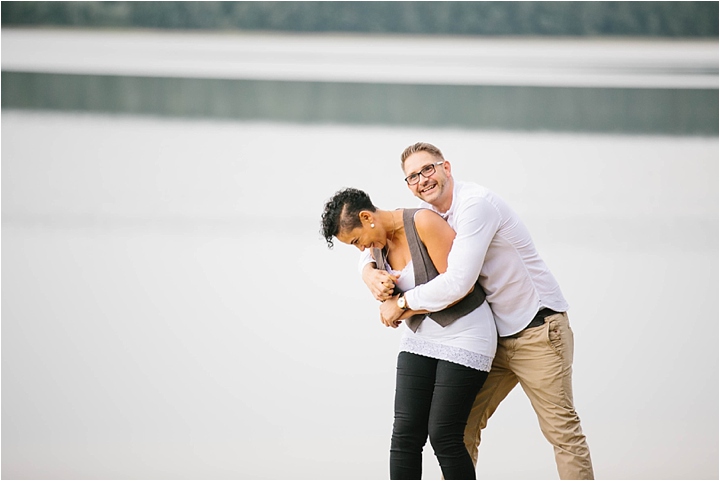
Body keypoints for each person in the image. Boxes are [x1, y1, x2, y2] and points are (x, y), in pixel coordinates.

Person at [360, 142, 594, 480]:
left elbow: (458, 283)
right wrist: (368, 271)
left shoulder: (475, 206)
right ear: (408, 185)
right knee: (455, 431)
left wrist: (401, 304)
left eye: (428, 169)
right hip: (494, 338)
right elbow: (369, 237)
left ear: (446, 168)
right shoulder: (430, 216)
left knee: (562, 433)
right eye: (413, 177)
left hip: (538, 330)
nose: (423, 180)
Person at [321, 187, 497, 480]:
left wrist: (400, 305)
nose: (361, 249)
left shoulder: (424, 223)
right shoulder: (375, 245)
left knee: (443, 435)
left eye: (356, 241)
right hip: (420, 338)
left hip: (466, 332)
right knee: (404, 435)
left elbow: (458, 288)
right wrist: (370, 277)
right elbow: (366, 261)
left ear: (367, 217)